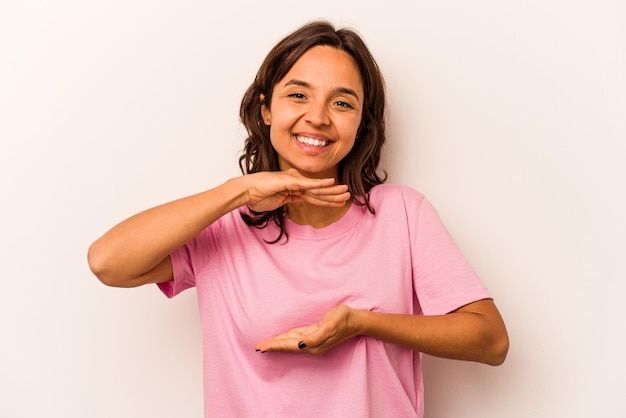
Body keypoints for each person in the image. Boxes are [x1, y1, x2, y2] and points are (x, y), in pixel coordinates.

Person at [88, 20, 509, 418]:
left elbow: (490, 341)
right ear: (266, 108)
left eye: (342, 102)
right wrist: (238, 192)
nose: (319, 116)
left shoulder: (401, 213)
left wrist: (361, 323)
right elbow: (108, 262)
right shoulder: (224, 225)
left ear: (362, 125)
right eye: (298, 94)